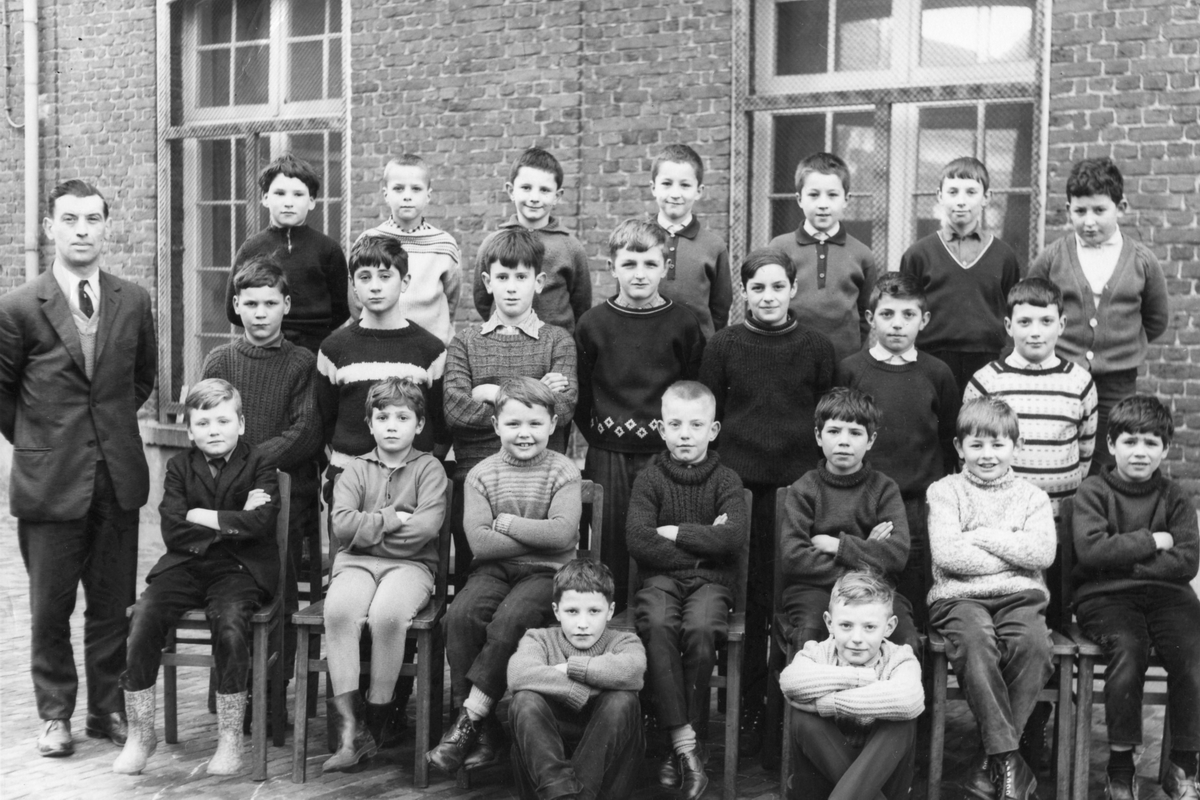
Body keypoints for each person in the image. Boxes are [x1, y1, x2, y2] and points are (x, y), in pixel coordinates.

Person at [0, 179, 156, 757]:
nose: (82, 230)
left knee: (112, 605)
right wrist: (42, 443)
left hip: (116, 477)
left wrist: (105, 432)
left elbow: (142, 378)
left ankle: (106, 709)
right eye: (70, 219)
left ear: (106, 227)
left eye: (92, 219)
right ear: (50, 228)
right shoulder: (19, 307)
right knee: (50, 607)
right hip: (49, 482)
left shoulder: (133, 299)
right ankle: (55, 715)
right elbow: (4, 395)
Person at [698, 245, 836, 754]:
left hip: (798, 495)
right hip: (740, 491)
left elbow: (827, 419)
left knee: (789, 597)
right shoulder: (723, 345)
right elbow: (711, 418)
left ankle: (786, 709)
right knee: (748, 599)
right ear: (744, 293)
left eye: (778, 286)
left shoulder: (817, 347)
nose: (768, 296)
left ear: (793, 289)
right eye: (758, 288)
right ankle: (746, 708)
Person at [114, 380, 279, 776]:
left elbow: (260, 523)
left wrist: (201, 516)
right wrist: (234, 520)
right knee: (144, 617)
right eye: (202, 423)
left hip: (239, 570)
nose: (213, 431)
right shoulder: (179, 467)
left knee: (231, 623)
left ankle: (230, 737)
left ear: (241, 424)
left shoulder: (260, 463)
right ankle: (140, 733)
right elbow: (173, 529)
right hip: (185, 566)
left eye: (223, 421)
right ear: (189, 431)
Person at [316, 234, 449, 726]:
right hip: (351, 482)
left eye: (385, 275)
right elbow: (323, 420)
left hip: (412, 483)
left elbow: (438, 426)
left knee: (394, 608)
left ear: (405, 280)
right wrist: (348, 482)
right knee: (348, 600)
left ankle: (389, 712)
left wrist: (413, 479)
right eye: (364, 277)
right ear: (352, 285)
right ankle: (348, 722)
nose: (374, 286)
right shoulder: (335, 348)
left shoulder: (428, 349)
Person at [427, 377, 582, 778]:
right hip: (492, 570)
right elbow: (480, 542)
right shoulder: (481, 474)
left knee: (511, 619)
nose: (524, 433)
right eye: (513, 424)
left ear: (553, 424)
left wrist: (508, 524)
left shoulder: (563, 470)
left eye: (535, 423)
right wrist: (537, 535)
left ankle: (469, 722)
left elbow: (562, 536)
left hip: (548, 573)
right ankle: (485, 732)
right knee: (460, 616)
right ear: (496, 425)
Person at [926, 396, 1057, 800]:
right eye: (977, 444)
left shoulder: (1033, 497)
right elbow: (948, 555)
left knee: (1034, 645)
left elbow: (1041, 553)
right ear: (959, 447)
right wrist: (1012, 549)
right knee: (976, 641)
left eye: (998, 444)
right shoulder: (945, 491)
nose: (987, 454)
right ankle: (1008, 760)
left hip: (1021, 596)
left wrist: (980, 536)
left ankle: (990, 762)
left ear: (1016, 446)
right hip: (958, 598)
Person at [1072, 394, 1200, 800]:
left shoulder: (1175, 496)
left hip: (1168, 596)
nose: (1140, 452)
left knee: (1194, 654)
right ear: (1112, 445)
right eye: (1130, 441)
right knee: (1128, 650)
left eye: (1150, 442)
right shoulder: (1093, 491)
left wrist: (1126, 562)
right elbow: (1092, 552)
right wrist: (1153, 541)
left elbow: (1187, 560)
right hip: (1105, 598)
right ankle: (1120, 770)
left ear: (1165, 448)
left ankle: (1184, 766)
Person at [575, 219, 706, 607]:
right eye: (629, 264)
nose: (639, 274)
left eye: (650, 264)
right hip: (608, 455)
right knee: (609, 545)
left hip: (664, 456)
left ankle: (655, 622)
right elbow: (582, 394)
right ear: (611, 267)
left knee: (661, 543)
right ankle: (607, 623)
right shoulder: (593, 324)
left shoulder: (682, 323)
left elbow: (694, 388)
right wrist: (602, 435)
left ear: (665, 267)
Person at [626, 380, 748, 799]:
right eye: (675, 424)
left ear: (712, 430)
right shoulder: (649, 479)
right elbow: (639, 540)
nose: (684, 434)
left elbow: (732, 538)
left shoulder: (727, 480)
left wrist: (674, 532)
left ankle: (684, 744)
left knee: (701, 629)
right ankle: (684, 746)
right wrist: (703, 546)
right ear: (661, 428)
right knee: (659, 625)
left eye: (696, 425)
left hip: (712, 585)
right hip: (659, 582)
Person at [203, 253, 323, 673]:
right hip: (228, 496)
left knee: (277, 577)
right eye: (250, 303)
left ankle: (274, 679)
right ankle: (233, 678)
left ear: (285, 305)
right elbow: (206, 426)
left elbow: (304, 432)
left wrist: (248, 465)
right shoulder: (220, 361)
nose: (260, 313)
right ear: (236, 305)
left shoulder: (301, 362)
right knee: (225, 581)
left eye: (270, 303)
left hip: (285, 498)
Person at [322, 378, 448, 771]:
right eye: (382, 417)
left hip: (412, 567)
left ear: (419, 424)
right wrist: (393, 518)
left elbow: (425, 529)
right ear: (370, 423)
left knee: (388, 615)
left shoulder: (429, 469)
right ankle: (350, 733)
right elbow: (341, 525)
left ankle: (377, 721)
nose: (391, 425)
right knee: (339, 611)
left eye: (402, 417)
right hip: (355, 564)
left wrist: (368, 534)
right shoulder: (355, 470)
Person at [445, 228, 577, 586]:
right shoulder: (465, 343)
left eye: (521, 277)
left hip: (541, 488)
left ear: (539, 282)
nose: (512, 287)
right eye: (502, 277)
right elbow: (455, 411)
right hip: (478, 485)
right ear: (488, 282)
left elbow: (563, 409)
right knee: (475, 588)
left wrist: (490, 391)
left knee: (534, 589)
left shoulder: (558, 341)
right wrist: (537, 391)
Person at [836, 271, 960, 634]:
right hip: (861, 500)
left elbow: (948, 440)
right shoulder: (851, 370)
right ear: (870, 318)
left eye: (908, 315)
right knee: (859, 596)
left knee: (912, 601)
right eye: (887, 314)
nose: (897, 324)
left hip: (916, 506)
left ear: (924, 320)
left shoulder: (937, 374)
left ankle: (911, 667)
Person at [1028, 157, 1169, 473]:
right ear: (1068, 210)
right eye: (1080, 211)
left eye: (1099, 210)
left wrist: (1120, 345)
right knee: (1059, 447)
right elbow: (1030, 305)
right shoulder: (1053, 256)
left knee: (1108, 454)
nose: (1089, 221)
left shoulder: (1142, 261)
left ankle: (1100, 506)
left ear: (1121, 207)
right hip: (1061, 373)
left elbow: (1156, 319)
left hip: (1118, 381)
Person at [779, 387, 915, 653]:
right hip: (814, 590)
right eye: (834, 431)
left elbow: (896, 555)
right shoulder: (804, 489)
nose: (844, 441)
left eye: (855, 433)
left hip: (874, 593)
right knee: (812, 629)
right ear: (818, 436)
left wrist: (837, 546)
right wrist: (867, 551)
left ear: (871, 440)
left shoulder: (884, 489)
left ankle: (894, 683)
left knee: (904, 635)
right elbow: (794, 557)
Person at [507, 558, 647, 800]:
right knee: (524, 701)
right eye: (572, 611)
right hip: (548, 765)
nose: (583, 624)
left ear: (610, 611)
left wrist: (571, 668)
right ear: (556, 611)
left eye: (594, 611)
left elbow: (632, 671)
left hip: (607, 763)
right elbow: (518, 673)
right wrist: (585, 689)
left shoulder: (624, 642)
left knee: (622, 701)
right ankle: (562, 794)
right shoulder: (539, 639)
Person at [779, 571, 924, 800]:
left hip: (882, 777)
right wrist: (858, 677)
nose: (857, 638)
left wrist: (828, 703)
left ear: (889, 627)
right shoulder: (817, 652)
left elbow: (909, 700)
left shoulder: (899, 658)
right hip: (821, 783)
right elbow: (791, 682)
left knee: (903, 721)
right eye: (846, 625)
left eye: (869, 627)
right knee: (805, 718)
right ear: (829, 623)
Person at [964, 277, 1098, 515]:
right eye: (1024, 322)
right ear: (1009, 326)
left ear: (1061, 324)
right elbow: (970, 453)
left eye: (1046, 321)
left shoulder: (1080, 382)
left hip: (1061, 515)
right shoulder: (986, 382)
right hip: (1001, 517)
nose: (1035, 332)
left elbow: (1085, 450)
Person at [900, 156, 1022, 391]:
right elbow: (905, 311)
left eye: (971, 192)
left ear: (986, 198)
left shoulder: (1004, 255)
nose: (961, 201)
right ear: (940, 196)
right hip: (932, 359)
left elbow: (1012, 311)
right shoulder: (918, 254)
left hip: (988, 360)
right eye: (953, 192)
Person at [223, 153, 349, 354]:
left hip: (315, 349)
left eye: (298, 195)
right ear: (265, 198)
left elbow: (342, 308)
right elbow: (233, 310)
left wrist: (312, 331)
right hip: (265, 348)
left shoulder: (328, 249)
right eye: (280, 193)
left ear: (312, 201)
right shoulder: (251, 248)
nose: (288, 202)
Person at [768, 152, 876, 361]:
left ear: (846, 199)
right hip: (790, 356)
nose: (823, 204)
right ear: (799, 199)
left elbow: (865, 312)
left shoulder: (862, 254)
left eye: (832, 195)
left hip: (843, 360)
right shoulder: (779, 248)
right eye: (814, 195)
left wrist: (851, 350)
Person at [472, 147, 592, 334]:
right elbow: (483, 298)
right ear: (511, 191)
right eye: (526, 188)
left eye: (544, 190)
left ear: (557, 196)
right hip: (506, 339)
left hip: (555, 344)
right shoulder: (492, 243)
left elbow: (581, 304)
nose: (534, 198)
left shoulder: (570, 247)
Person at [354, 154, 462, 345]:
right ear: (386, 194)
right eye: (398, 188)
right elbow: (356, 300)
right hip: (381, 344)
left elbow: (451, 300)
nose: (407, 196)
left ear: (428, 195)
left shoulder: (445, 245)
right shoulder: (368, 240)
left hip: (431, 347)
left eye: (416, 189)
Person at [649, 144, 732, 340]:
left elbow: (720, 308)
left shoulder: (714, 246)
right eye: (667, 183)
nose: (675, 194)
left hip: (696, 348)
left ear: (699, 191)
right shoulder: (637, 240)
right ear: (653, 188)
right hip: (646, 344)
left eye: (685, 185)